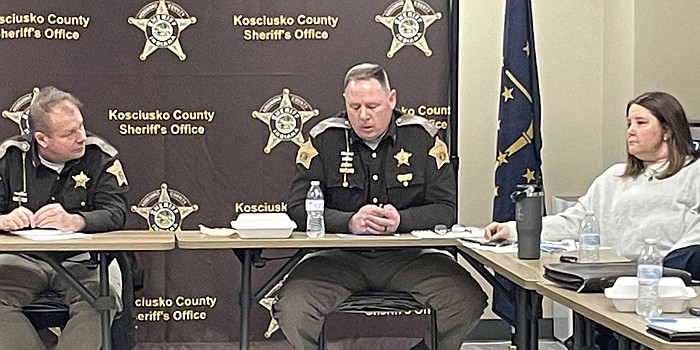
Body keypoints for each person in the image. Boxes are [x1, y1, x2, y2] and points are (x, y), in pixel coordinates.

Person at [273, 63, 487, 350]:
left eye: (372, 105)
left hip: (410, 257)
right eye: (355, 106)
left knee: (466, 300)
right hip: (338, 259)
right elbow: (298, 209)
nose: (364, 116)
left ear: (392, 99)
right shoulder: (324, 138)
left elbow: (446, 210)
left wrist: (402, 220)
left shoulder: (423, 137)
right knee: (293, 308)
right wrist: (348, 222)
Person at [484, 91, 700, 349]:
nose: (631, 131)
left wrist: (663, 269)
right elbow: (574, 222)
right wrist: (512, 229)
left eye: (641, 123)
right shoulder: (615, 177)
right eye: (629, 123)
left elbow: (693, 242)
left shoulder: (692, 175)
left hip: (663, 285)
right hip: (608, 281)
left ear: (667, 130)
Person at [0, 86, 129, 350]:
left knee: (101, 300)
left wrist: (76, 221)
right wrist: (2, 220)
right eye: (69, 133)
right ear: (42, 139)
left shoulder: (100, 156)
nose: (81, 137)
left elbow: (116, 212)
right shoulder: (10, 158)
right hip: (22, 260)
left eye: (81, 127)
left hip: (84, 260)